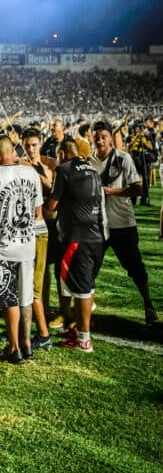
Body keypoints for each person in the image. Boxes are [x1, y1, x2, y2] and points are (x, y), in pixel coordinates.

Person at [0, 136, 43, 364]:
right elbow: (37, 212)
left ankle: (14, 347)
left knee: (9, 299)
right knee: (25, 297)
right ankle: (26, 344)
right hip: (27, 244)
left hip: (2, 247)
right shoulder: (32, 174)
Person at [89, 121, 157, 325]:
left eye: (104, 136)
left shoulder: (123, 158)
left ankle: (148, 305)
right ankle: (86, 313)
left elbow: (138, 188)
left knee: (135, 267)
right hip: (98, 225)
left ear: (111, 137)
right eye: (97, 136)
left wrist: (112, 192)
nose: (100, 140)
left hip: (123, 223)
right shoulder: (89, 161)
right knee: (89, 269)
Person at [47, 138, 108, 353]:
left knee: (81, 290)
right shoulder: (92, 169)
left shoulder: (64, 169)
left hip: (78, 238)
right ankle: (82, 330)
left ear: (63, 153)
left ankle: (84, 340)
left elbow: (52, 205)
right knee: (88, 285)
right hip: (99, 236)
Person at [19, 127, 52, 349]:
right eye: (27, 145)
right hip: (26, 227)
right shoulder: (19, 164)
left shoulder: (49, 163)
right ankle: (23, 330)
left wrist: (37, 170)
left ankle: (43, 331)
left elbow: (52, 186)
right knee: (27, 281)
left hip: (44, 226)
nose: (31, 149)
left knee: (39, 281)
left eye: (34, 145)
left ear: (40, 144)